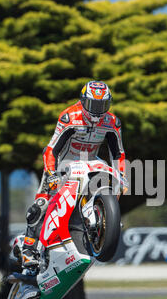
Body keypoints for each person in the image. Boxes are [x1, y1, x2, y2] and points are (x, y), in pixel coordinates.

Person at [21, 80, 127, 269]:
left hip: (92, 162)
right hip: (65, 164)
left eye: (102, 105)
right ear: (83, 101)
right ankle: (28, 247)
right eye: (93, 105)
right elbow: (51, 150)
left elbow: (118, 153)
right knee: (42, 203)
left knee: (112, 183)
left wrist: (121, 175)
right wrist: (51, 173)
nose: (97, 110)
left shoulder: (112, 122)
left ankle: (103, 220)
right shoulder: (69, 117)